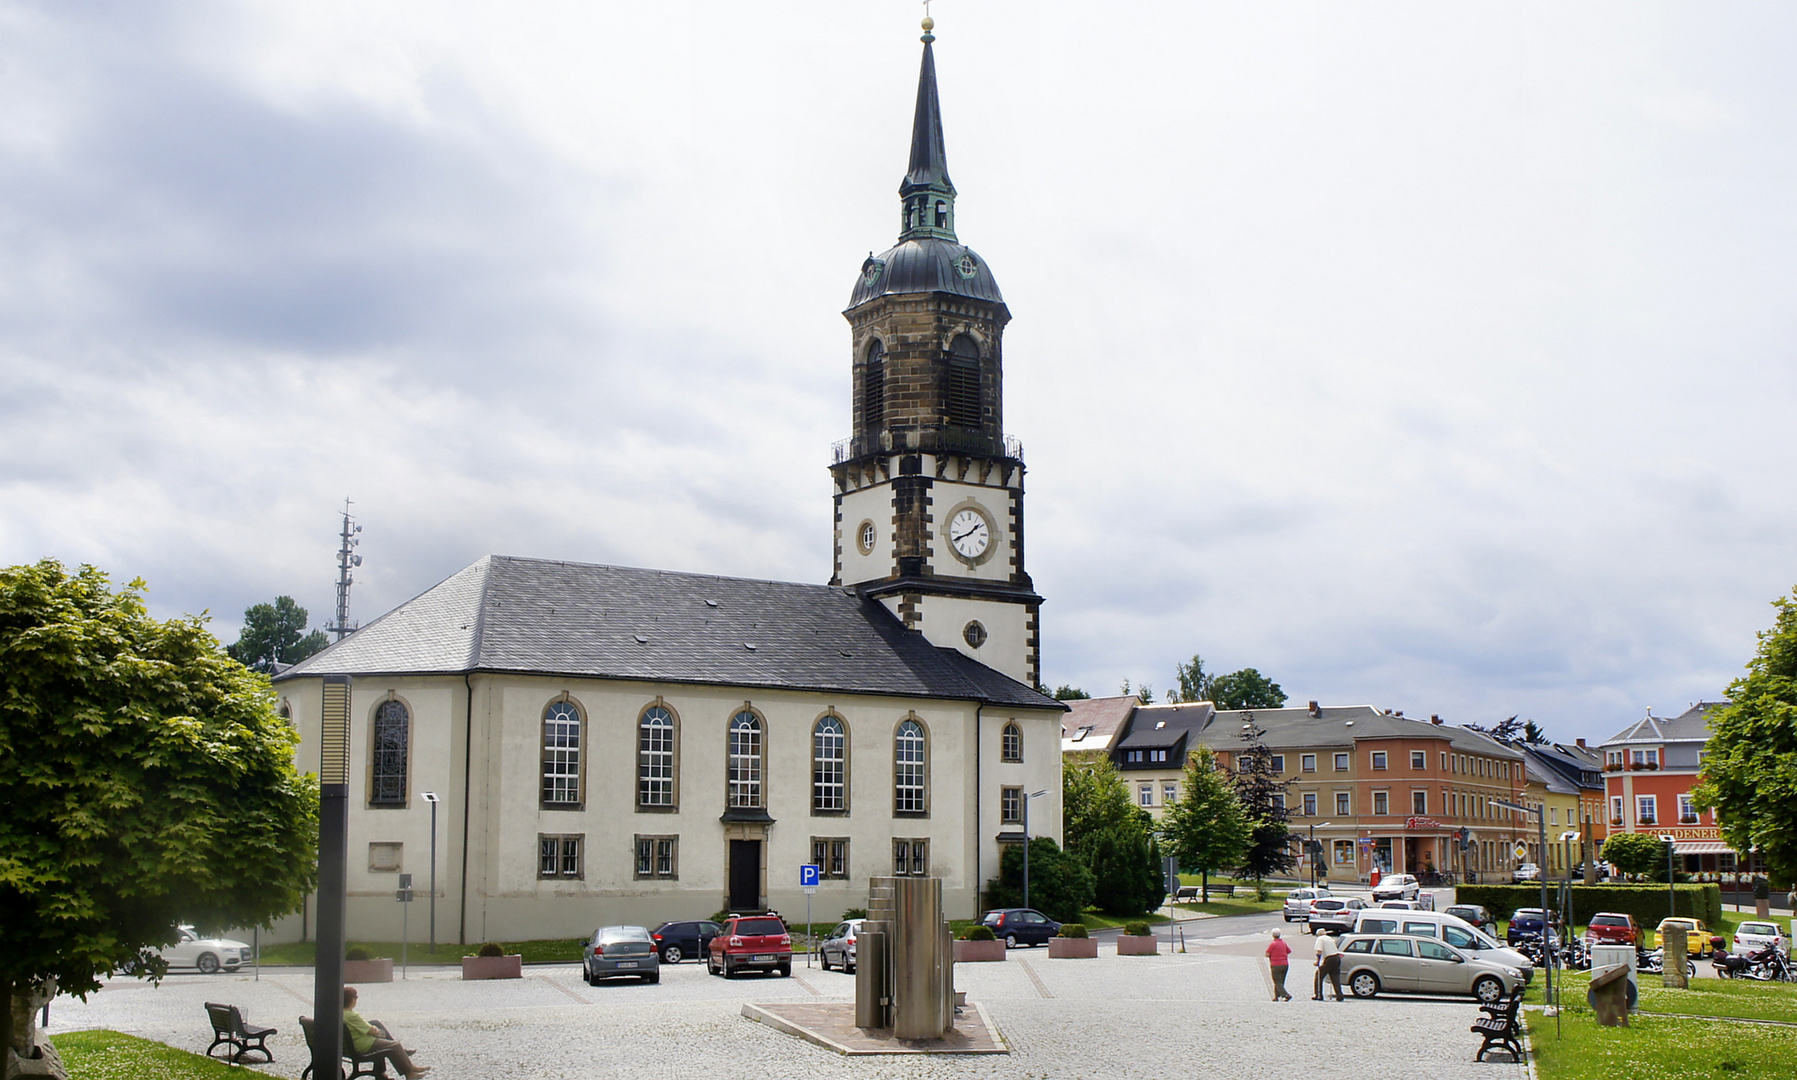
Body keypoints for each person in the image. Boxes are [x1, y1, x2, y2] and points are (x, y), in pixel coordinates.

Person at [342, 986, 430, 1079]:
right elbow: (372, 1032)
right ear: (352, 1000)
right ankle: (409, 1073)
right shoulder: (352, 1016)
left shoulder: (341, 1013)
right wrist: (375, 1030)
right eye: (356, 997)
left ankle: (405, 1063)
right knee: (394, 1046)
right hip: (362, 1045)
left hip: (351, 1045)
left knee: (377, 1025)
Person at [1313, 930, 1344, 1000]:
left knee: (1319, 975)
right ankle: (1339, 995)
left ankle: (1318, 994)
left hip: (1329, 958)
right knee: (1335, 976)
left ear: (1318, 934)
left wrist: (1317, 961)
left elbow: (1319, 951)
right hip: (1337, 957)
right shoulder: (1329, 938)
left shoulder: (1320, 939)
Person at [1266, 930, 1292, 1001]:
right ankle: (1276, 996)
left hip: (1276, 964)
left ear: (1273, 935)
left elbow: (1267, 954)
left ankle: (1286, 995)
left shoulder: (1273, 944)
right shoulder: (1283, 943)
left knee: (1277, 981)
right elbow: (1289, 951)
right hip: (1285, 964)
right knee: (1281, 981)